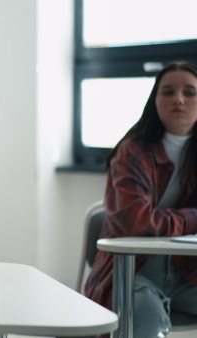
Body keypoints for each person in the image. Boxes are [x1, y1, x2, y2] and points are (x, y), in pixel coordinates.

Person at [85, 61, 197, 337]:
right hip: (134, 267)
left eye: (190, 92)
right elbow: (138, 221)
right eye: (168, 92)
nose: (178, 99)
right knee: (144, 313)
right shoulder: (132, 150)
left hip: (189, 270)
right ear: (155, 101)